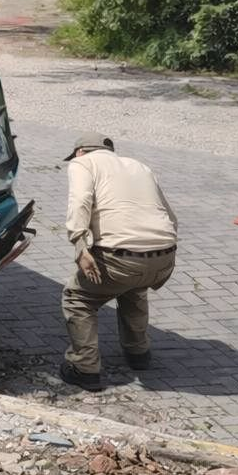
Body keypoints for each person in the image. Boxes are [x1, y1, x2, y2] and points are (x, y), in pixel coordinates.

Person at [60, 132, 177, 391]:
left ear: (80, 152)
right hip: (165, 254)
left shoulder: (83, 163)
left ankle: (84, 367)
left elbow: (80, 201)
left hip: (120, 257)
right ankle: (138, 353)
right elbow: (169, 214)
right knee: (133, 288)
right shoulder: (140, 166)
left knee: (77, 298)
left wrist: (80, 244)